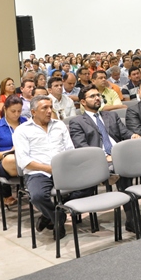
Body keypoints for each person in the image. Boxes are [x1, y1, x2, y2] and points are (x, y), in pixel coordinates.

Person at [68, 85, 141, 234]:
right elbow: (82, 147)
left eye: (98, 95)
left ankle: (131, 220)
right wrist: (103, 157)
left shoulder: (111, 116)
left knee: (124, 169)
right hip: (97, 161)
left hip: (118, 158)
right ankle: (133, 220)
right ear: (83, 102)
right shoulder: (77, 122)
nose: (97, 98)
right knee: (123, 172)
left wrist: (132, 136)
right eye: (92, 96)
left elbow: (124, 133)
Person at [12, 96, 92, 239]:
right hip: (38, 171)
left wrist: (65, 167)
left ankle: (51, 214)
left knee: (89, 185)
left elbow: (70, 149)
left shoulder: (59, 125)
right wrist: (48, 168)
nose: (49, 111)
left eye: (50, 107)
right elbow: (24, 161)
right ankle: (58, 218)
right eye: (45, 108)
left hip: (63, 169)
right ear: (33, 112)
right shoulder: (22, 130)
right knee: (38, 196)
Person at [0, 96, 26, 207]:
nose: (16, 114)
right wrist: (9, 151)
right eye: (13, 111)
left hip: (25, 157)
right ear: (5, 109)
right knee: (11, 159)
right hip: (2, 163)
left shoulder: (26, 123)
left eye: (19, 111)